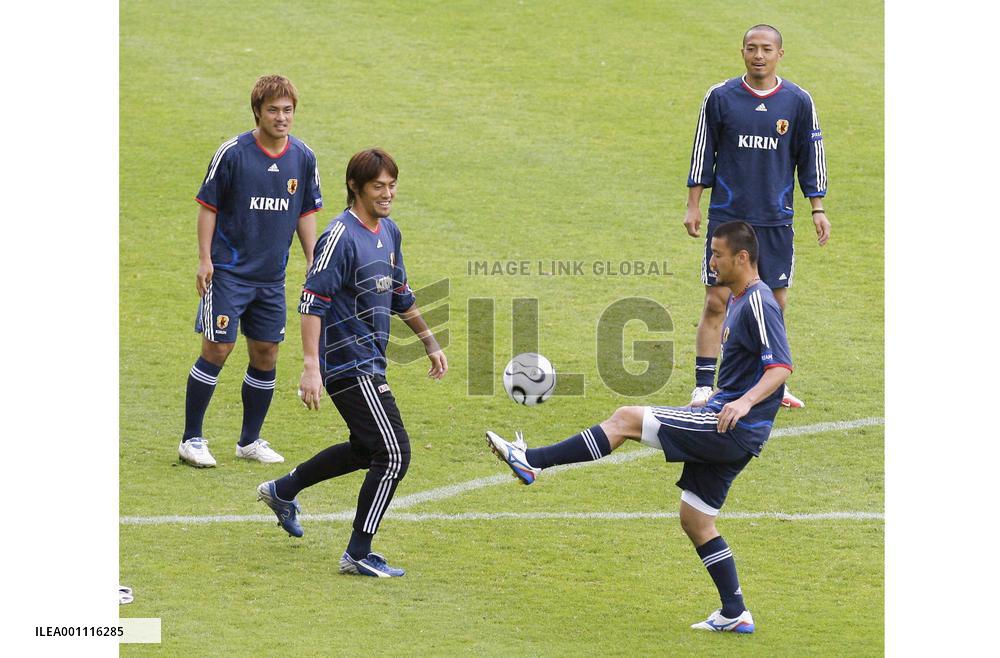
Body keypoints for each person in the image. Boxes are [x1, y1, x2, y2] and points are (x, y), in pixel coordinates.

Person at [487, 221, 791, 633]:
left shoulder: (758, 301)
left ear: (742, 257)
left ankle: (532, 462)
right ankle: (735, 612)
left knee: (626, 418)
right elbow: (764, 369)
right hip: (730, 420)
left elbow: (781, 366)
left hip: (730, 426)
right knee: (696, 520)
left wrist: (747, 400)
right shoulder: (738, 300)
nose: (711, 261)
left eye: (717, 254)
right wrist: (754, 394)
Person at [257, 148, 447, 578]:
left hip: (372, 362)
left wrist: (430, 342)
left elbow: (401, 294)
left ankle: (282, 490)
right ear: (355, 188)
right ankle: (357, 553)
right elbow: (311, 300)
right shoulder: (339, 236)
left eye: (392, 185)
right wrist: (310, 366)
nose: (387, 194)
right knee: (394, 454)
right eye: (378, 186)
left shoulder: (389, 232)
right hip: (346, 363)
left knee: (367, 449)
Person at [178, 75, 322, 468]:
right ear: (257, 111)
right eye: (273, 110)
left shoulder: (303, 157)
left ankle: (249, 440)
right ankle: (191, 439)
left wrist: (313, 259)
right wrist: (205, 259)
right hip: (228, 273)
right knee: (217, 348)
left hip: (271, 278)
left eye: (288, 110)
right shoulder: (233, 153)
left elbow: (305, 212)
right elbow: (208, 206)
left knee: (266, 353)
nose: (281, 117)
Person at [684, 24, 827, 409]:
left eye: (766, 49)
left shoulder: (797, 101)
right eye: (751, 48)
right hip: (728, 218)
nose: (758, 55)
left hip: (774, 219)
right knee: (717, 300)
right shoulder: (721, 96)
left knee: (773, 306)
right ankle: (703, 384)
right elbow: (704, 150)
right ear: (742, 51)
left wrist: (817, 207)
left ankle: (766, 386)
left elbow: (810, 155)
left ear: (780, 53)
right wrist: (693, 204)